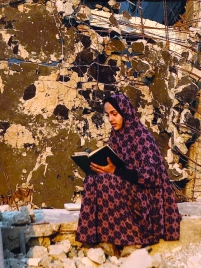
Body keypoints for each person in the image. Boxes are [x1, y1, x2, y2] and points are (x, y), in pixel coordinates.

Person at [76, 93, 182, 249]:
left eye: (114, 114)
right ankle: (96, 239)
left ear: (125, 112)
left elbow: (150, 176)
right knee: (92, 180)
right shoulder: (116, 137)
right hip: (128, 188)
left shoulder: (142, 137)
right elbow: (117, 168)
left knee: (107, 181)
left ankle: (134, 240)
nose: (111, 119)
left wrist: (114, 172)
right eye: (108, 115)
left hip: (147, 196)